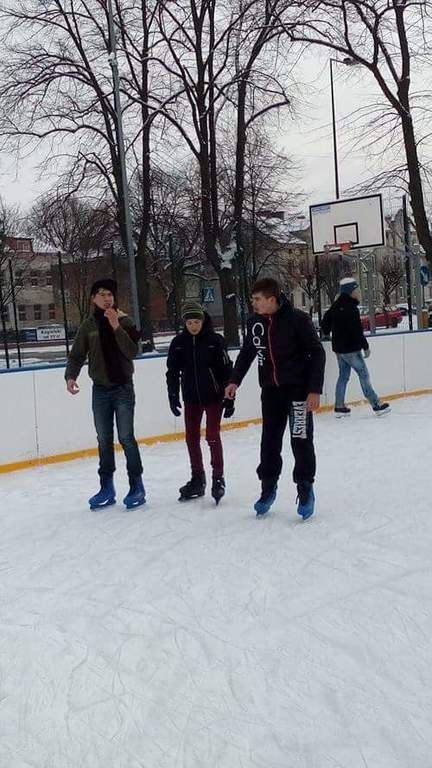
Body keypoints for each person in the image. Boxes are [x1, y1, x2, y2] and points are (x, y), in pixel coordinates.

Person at [225, 278, 325, 519]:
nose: (254, 303)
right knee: (269, 442)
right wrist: (234, 380)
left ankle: (305, 487)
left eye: (257, 299)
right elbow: (247, 352)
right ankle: (268, 487)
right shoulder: (255, 323)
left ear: (272, 299)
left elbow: (317, 353)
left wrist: (314, 389)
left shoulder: (298, 320)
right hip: (271, 392)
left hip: (298, 391)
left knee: (300, 439)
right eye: (253, 299)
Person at [65, 279, 145, 510]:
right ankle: (106, 488)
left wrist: (116, 326)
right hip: (100, 390)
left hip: (123, 388)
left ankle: (137, 485)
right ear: (93, 298)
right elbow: (77, 355)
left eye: (110, 294)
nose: (107, 298)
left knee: (126, 437)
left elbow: (132, 352)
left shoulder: (125, 321)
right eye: (102, 294)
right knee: (103, 439)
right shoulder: (88, 325)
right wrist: (71, 376)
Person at [166, 301, 234, 504]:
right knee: (191, 438)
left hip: (214, 397)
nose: (193, 326)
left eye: (197, 322)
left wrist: (230, 398)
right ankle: (197, 477)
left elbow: (226, 370)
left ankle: (218, 477)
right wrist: (172, 395)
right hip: (191, 398)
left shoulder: (215, 341)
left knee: (212, 436)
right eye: (189, 323)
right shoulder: (179, 343)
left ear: (203, 321)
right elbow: (172, 371)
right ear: (184, 323)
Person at [321, 277, 391, 417]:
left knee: (343, 377)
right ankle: (376, 404)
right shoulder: (351, 308)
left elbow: (324, 323)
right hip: (351, 350)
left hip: (339, 350)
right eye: (356, 290)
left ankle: (339, 407)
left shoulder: (335, 306)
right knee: (363, 375)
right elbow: (357, 330)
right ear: (350, 292)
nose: (358, 293)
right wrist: (365, 346)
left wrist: (327, 334)